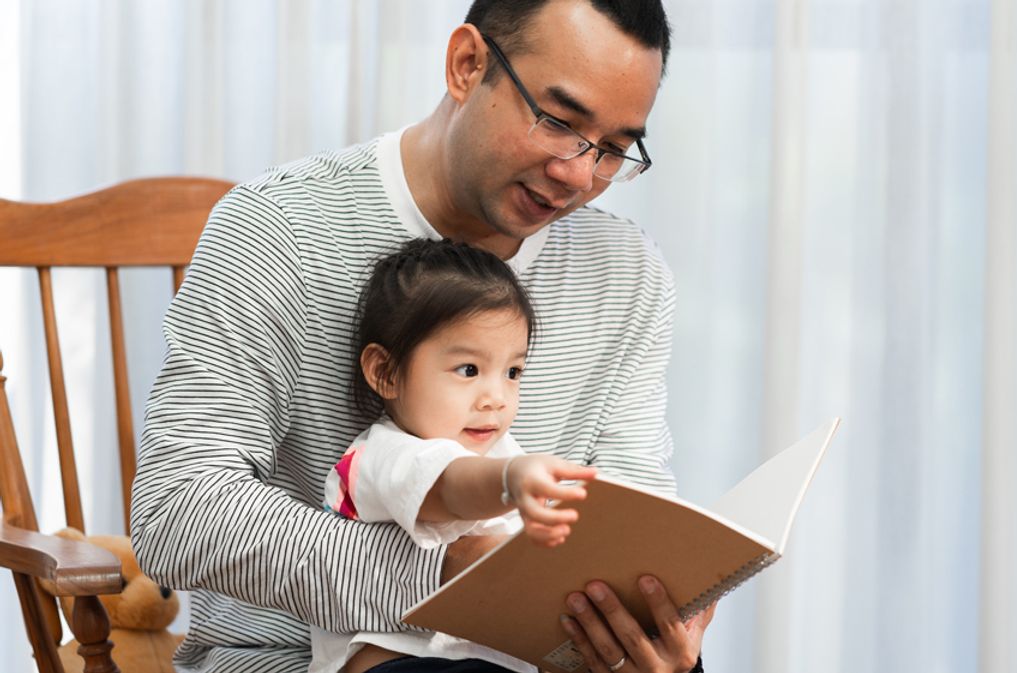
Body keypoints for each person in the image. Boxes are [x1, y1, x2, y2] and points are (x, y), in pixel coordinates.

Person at [131, 1, 715, 672]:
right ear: (467, 65)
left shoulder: (629, 272)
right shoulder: (278, 230)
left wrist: (653, 622)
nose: (580, 175)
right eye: (558, 122)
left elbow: (632, 510)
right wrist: (448, 576)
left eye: (612, 149)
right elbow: (177, 510)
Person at [310, 238, 595, 673]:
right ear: (385, 373)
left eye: (512, 372)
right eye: (469, 370)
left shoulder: (503, 453)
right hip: (399, 662)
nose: (496, 398)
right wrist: (511, 481)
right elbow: (450, 487)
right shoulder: (378, 456)